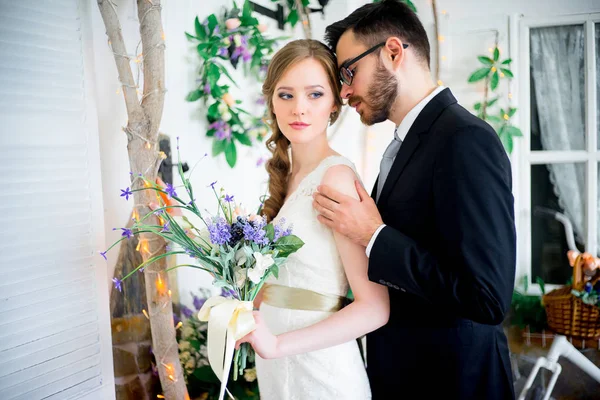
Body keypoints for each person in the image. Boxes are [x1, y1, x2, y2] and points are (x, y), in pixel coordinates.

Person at [311, 1, 516, 399]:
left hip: (455, 382)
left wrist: (374, 234)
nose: (345, 90)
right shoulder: (407, 143)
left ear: (392, 52)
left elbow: (487, 296)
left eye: (349, 71)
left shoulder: (465, 139)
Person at [235, 39, 388, 399]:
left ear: (335, 103)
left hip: (323, 373)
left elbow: (374, 309)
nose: (299, 109)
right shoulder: (286, 177)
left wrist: (276, 344)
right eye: (286, 95)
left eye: (315, 94)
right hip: (276, 370)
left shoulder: (335, 178)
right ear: (271, 101)